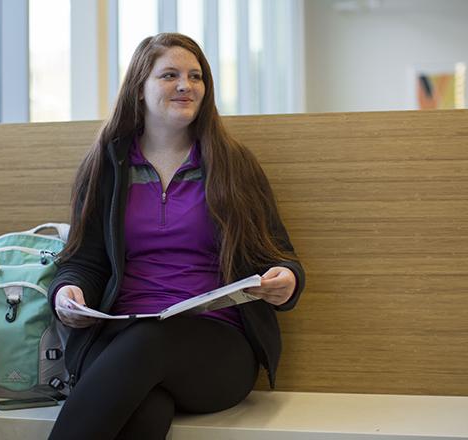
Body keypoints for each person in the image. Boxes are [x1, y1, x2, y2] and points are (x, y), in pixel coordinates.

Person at [47, 32, 305, 440]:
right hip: (119, 335)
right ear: (139, 89)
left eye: (196, 76)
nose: (186, 85)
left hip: (217, 347)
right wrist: (68, 292)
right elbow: (83, 260)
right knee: (147, 407)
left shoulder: (233, 165)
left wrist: (285, 281)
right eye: (169, 75)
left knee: (151, 342)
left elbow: (277, 257)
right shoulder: (106, 167)